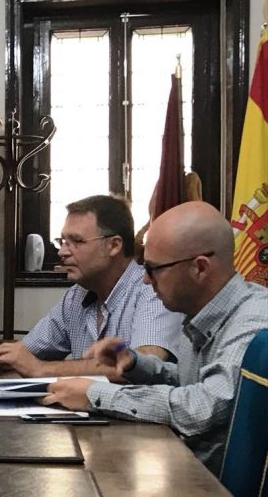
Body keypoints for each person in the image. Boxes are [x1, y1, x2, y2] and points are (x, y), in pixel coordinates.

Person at [42, 201, 268, 474]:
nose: (146, 281)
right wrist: (136, 364)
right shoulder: (199, 312)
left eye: (153, 269)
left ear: (200, 268)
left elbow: (205, 406)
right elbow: (189, 380)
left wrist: (96, 394)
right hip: (187, 476)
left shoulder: (255, 322)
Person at [0, 195, 181, 377]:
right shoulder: (77, 295)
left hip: (142, 428)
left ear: (114, 245)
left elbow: (147, 364)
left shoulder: (152, 290)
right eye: (62, 241)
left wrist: (41, 369)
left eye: (76, 241)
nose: (62, 252)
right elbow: (29, 351)